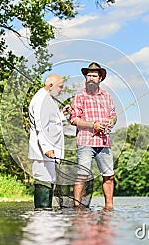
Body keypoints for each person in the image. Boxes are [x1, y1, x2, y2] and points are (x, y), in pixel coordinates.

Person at [70, 62, 117, 210]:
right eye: (88, 75)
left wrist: (111, 121)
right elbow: (74, 119)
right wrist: (93, 125)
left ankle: (109, 207)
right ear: (85, 77)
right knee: (82, 175)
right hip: (85, 142)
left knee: (109, 176)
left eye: (94, 76)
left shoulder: (107, 96)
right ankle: (77, 208)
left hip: (104, 142)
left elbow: (114, 115)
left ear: (100, 78)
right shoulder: (80, 96)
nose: (91, 78)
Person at [28, 74, 71, 209]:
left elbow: (52, 121)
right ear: (50, 86)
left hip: (48, 152)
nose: (62, 90)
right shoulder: (42, 100)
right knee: (43, 181)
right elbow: (41, 125)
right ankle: (42, 214)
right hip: (43, 152)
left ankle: (46, 215)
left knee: (49, 180)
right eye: (60, 87)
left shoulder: (48, 99)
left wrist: (62, 114)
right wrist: (47, 148)